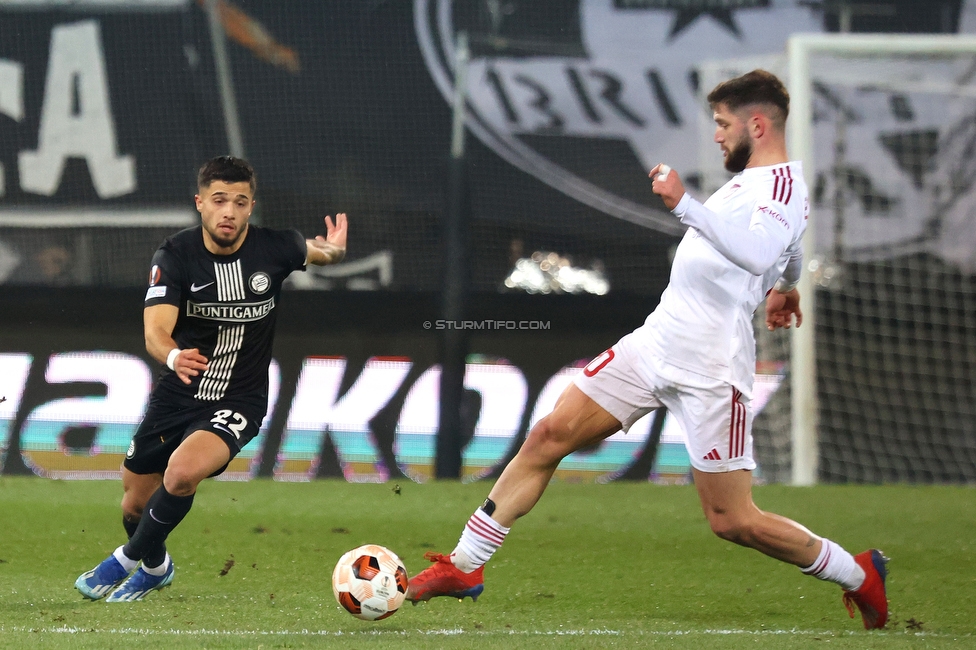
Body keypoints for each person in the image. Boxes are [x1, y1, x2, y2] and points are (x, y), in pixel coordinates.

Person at [405, 70, 889, 630]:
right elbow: (789, 247)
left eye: (723, 124)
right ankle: (465, 565)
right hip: (656, 341)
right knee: (548, 435)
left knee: (732, 520)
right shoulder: (756, 183)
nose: (716, 136)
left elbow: (759, 250)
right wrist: (788, 285)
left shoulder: (780, 188)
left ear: (757, 124)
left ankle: (859, 574)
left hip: (711, 367)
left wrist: (686, 204)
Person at [75, 155, 348, 602]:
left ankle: (122, 561)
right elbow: (154, 332)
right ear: (200, 203)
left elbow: (318, 253)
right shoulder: (175, 255)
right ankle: (156, 566)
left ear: (251, 207)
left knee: (181, 475)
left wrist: (334, 250)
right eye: (219, 200)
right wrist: (176, 354)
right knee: (134, 503)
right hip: (178, 390)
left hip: (240, 397)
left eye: (240, 202)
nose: (229, 211)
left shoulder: (275, 248)